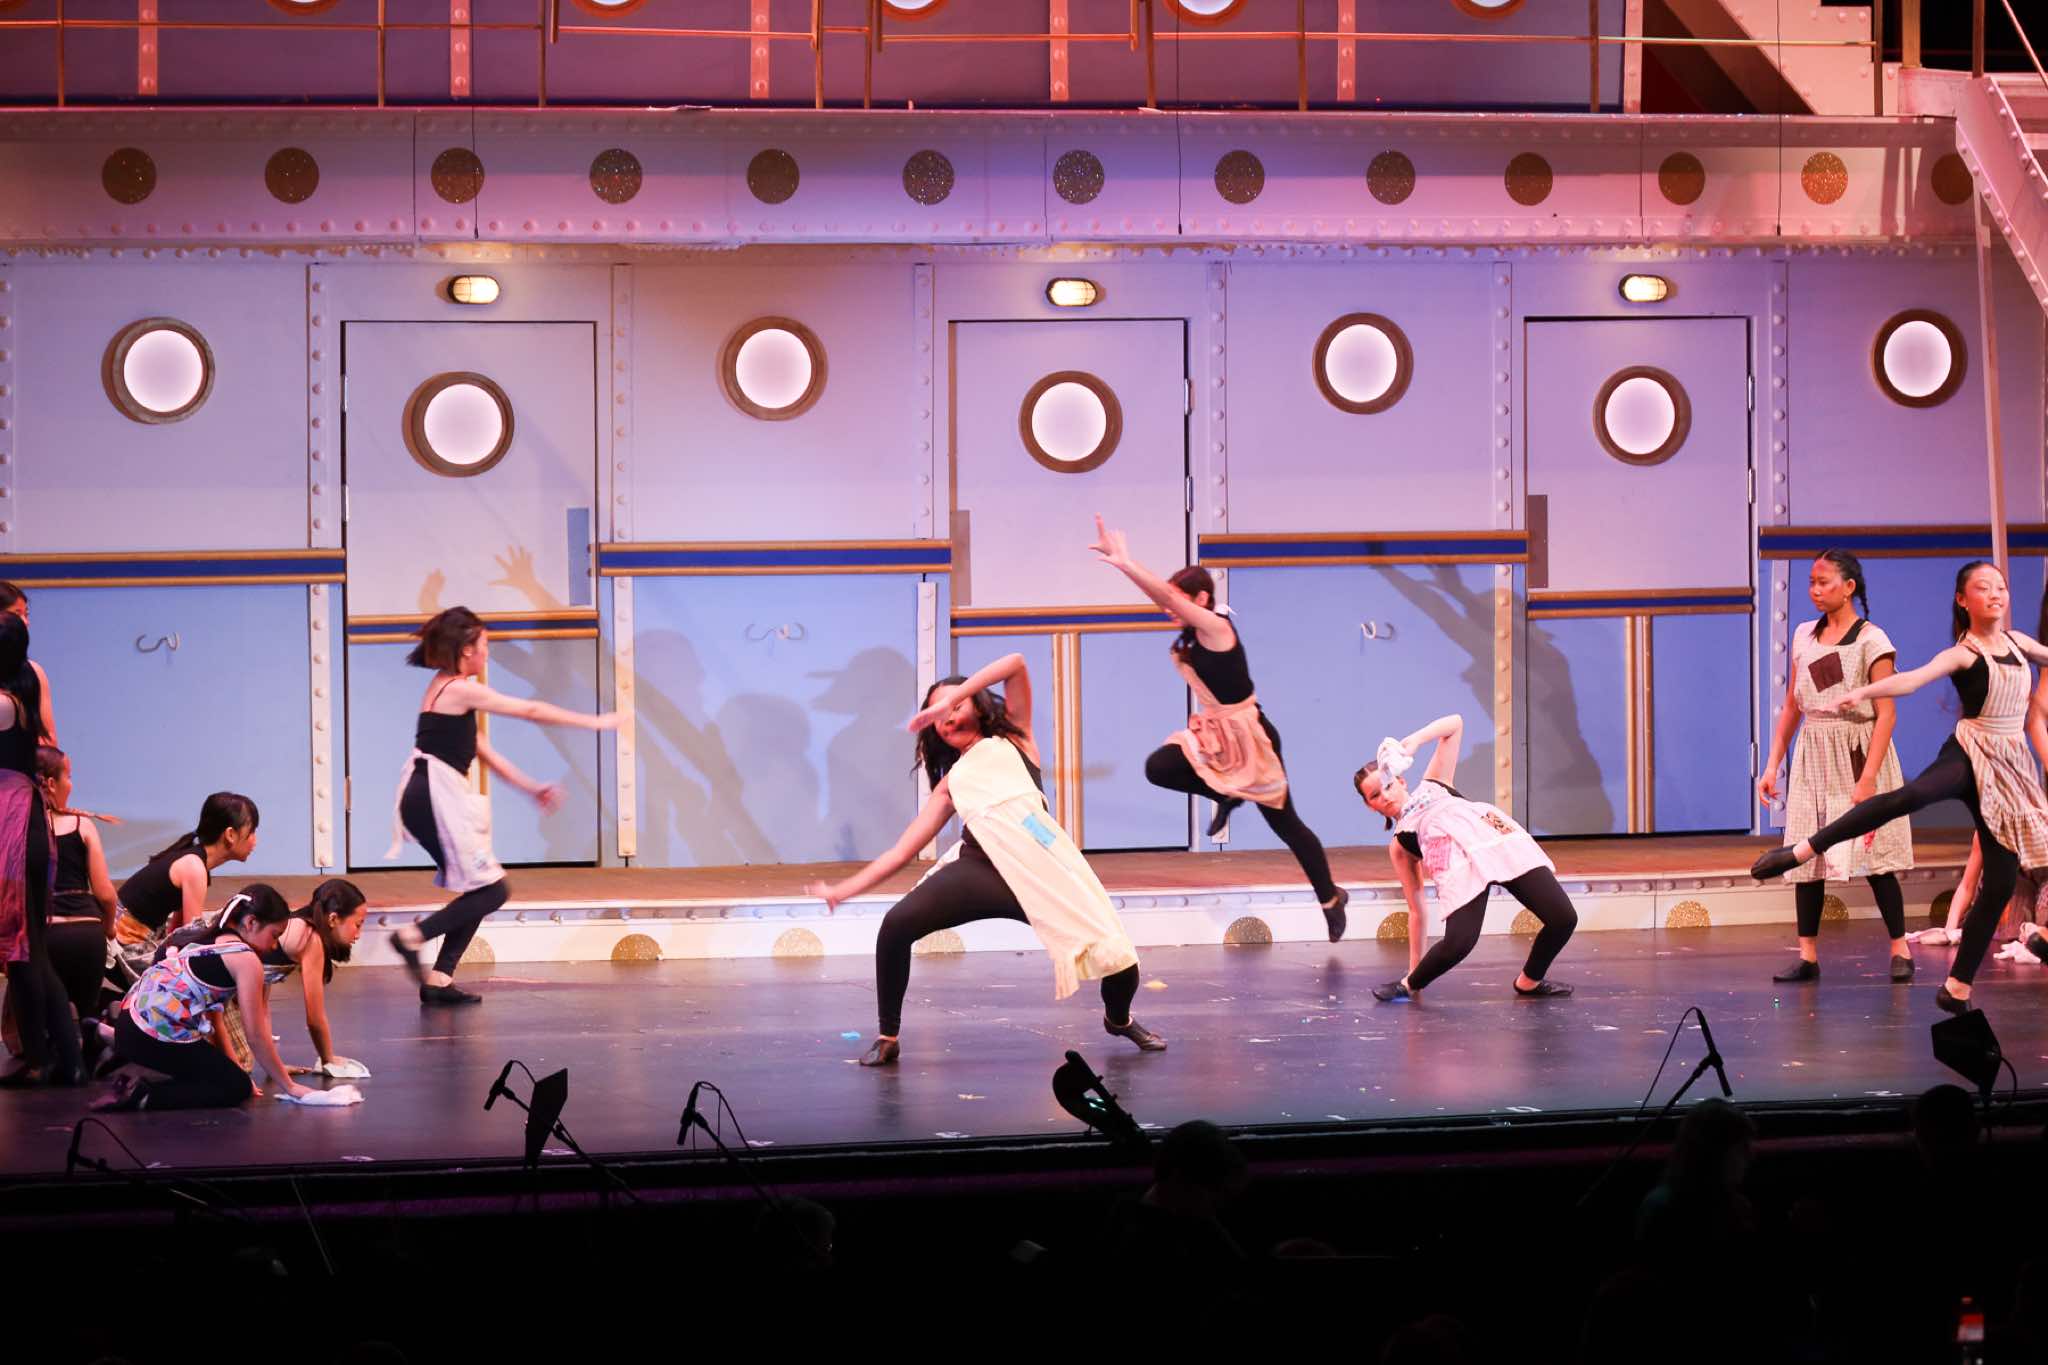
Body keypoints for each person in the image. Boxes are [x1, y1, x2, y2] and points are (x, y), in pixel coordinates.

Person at [806, 652, 1164, 1066]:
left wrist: (951, 696)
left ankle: (1118, 1020)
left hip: (1041, 869)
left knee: (1119, 959)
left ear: (978, 704)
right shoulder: (951, 783)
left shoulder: (1016, 738)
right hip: (980, 869)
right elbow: (902, 851)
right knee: (895, 925)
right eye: (938, 713)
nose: (946, 716)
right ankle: (888, 1036)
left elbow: (1016, 663)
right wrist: (844, 890)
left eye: (956, 705)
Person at [1753, 561, 2048, 1014]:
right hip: (1971, 750)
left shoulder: (2019, 643)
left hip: (2011, 765)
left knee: (2001, 881)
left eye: (2001, 587)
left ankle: (1957, 988)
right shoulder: (1963, 653)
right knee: (1909, 797)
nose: (1996, 594)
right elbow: (1912, 679)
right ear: (1962, 600)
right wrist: (1863, 693)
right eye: (1983, 588)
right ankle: (1803, 850)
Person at [1089, 516, 1348, 940]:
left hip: (1252, 737)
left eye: (1179, 601)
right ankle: (1224, 794)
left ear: (1201, 599)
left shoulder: (1217, 629)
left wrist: (1126, 562)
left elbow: (1164, 597)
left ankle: (1331, 899)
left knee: (1286, 824)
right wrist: (1128, 571)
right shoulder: (1192, 634)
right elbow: (1163, 599)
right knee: (1159, 766)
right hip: (1216, 733)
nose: (1169, 609)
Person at [386, 606, 618, 1005]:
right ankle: (412, 936)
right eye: (485, 645)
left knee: (483, 886)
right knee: (493, 890)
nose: (487, 653)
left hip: (426, 797)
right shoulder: (458, 689)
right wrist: (594, 723)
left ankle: (439, 979)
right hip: (433, 797)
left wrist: (531, 789)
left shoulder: (447, 690)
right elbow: (530, 710)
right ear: (466, 650)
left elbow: (487, 755)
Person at [1756, 550, 1915, 983]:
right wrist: (1772, 765)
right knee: (1806, 854)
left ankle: (1900, 948)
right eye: (1811, 581)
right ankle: (1807, 956)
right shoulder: (1805, 636)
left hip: (1859, 751)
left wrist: (1868, 779)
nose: (1815, 589)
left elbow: (1887, 714)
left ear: (1848, 587)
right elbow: (1792, 705)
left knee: (1875, 858)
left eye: (1824, 581)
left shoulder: (1871, 640)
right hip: (1815, 753)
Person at [1354, 713, 1577, 1001]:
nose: (1384, 796)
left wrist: (1415, 741)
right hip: (1460, 869)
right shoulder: (1400, 843)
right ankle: (1409, 985)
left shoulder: (1434, 782)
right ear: (1369, 806)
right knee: (1459, 943)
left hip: (1497, 843)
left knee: (1563, 918)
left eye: (1387, 786)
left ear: (1401, 781)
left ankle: (1529, 981)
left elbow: (1455, 724)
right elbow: (1416, 909)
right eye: (1374, 796)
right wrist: (1413, 970)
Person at [92, 884, 316, 1110]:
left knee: (234, 1079)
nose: (274, 946)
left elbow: (215, 1021)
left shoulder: (205, 939)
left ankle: (119, 1049)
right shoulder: (245, 959)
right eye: (274, 936)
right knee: (234, 1088)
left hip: (130, 1022)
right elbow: (256, 1036)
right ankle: (144, 1095)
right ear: (251, 922)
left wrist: (235, 1070)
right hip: (150, 1034)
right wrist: (290, 1086)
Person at [158, 877, 369, 1077]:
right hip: (189, 978)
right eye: (358, 924)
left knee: (240, 1063)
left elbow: (261, 1002)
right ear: (333, 919)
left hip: (206, 979)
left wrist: (274, 1066)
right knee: (239, 1067)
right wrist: (328, 1060)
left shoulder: (281, 935)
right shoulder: (309, 940)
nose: (359, 934)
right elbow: (315, 1018)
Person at [0, 615, 72, 1085]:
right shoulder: (18, 695)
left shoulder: (2, 703)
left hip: (13, 828)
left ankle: (53, 1059)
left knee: (27, 953)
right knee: (28, 954)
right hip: (18, 823)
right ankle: (54, 1058)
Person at [111, 791, 258, 981]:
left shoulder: (194, 861)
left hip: (126, 940)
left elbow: (177, 931)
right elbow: (192, 939)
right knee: (198, 981)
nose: (255, 840)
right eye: (251, 832)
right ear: (230, 834)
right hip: (124, 945)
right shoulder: (194, 867)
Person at [36, 745, 120, 1060]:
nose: (71, 784)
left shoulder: (19, 829)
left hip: (45, 935)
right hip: (87, 933)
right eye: (68, 776)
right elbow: (105, 894)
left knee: (48, 1019)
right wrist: (109, 928)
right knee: (86, 1014)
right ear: (51, 783)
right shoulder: (82, 826)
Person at [0, 582, 58, 744]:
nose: (26, 622)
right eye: (17, 613)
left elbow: (48, 737)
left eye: (26, 614)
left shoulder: (33, 671)